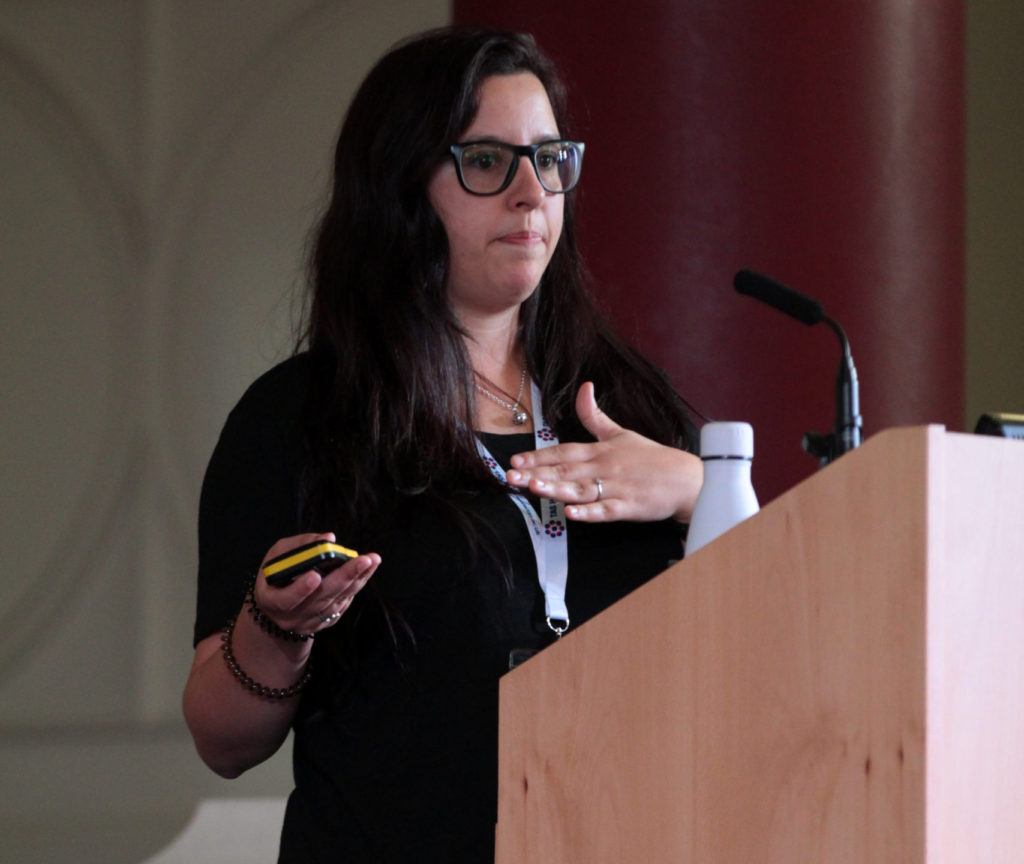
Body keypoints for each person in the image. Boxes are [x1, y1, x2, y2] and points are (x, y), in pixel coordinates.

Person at [182, 25, 703, 863]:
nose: (533, 194)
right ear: (401, 186)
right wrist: (276, 631)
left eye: (550, 159)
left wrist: (694, 490)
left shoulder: (627, 401)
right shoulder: (305, 416)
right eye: (488, 161)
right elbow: (224, 740)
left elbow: (767, 642)